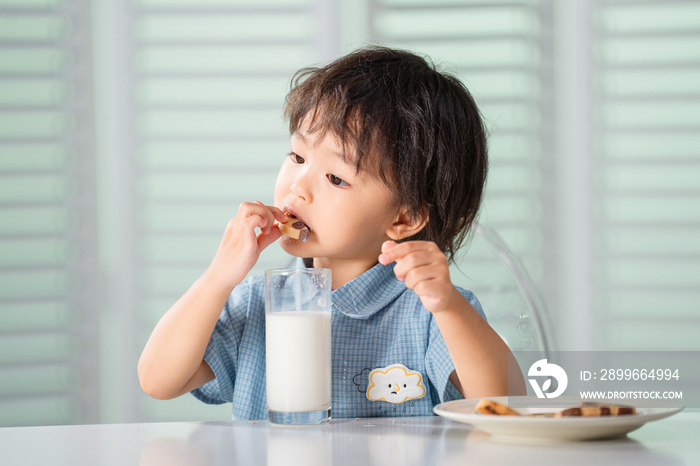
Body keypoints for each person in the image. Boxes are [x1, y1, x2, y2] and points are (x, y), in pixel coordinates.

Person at [138, 46, 522, 420]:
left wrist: (448, 306)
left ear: (404, 220)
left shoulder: (431, 310)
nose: (297, 188)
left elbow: (505, 403)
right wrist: (217, 277)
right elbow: (158, 381)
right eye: (297, 157)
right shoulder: (259, 302)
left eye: (336, 178)